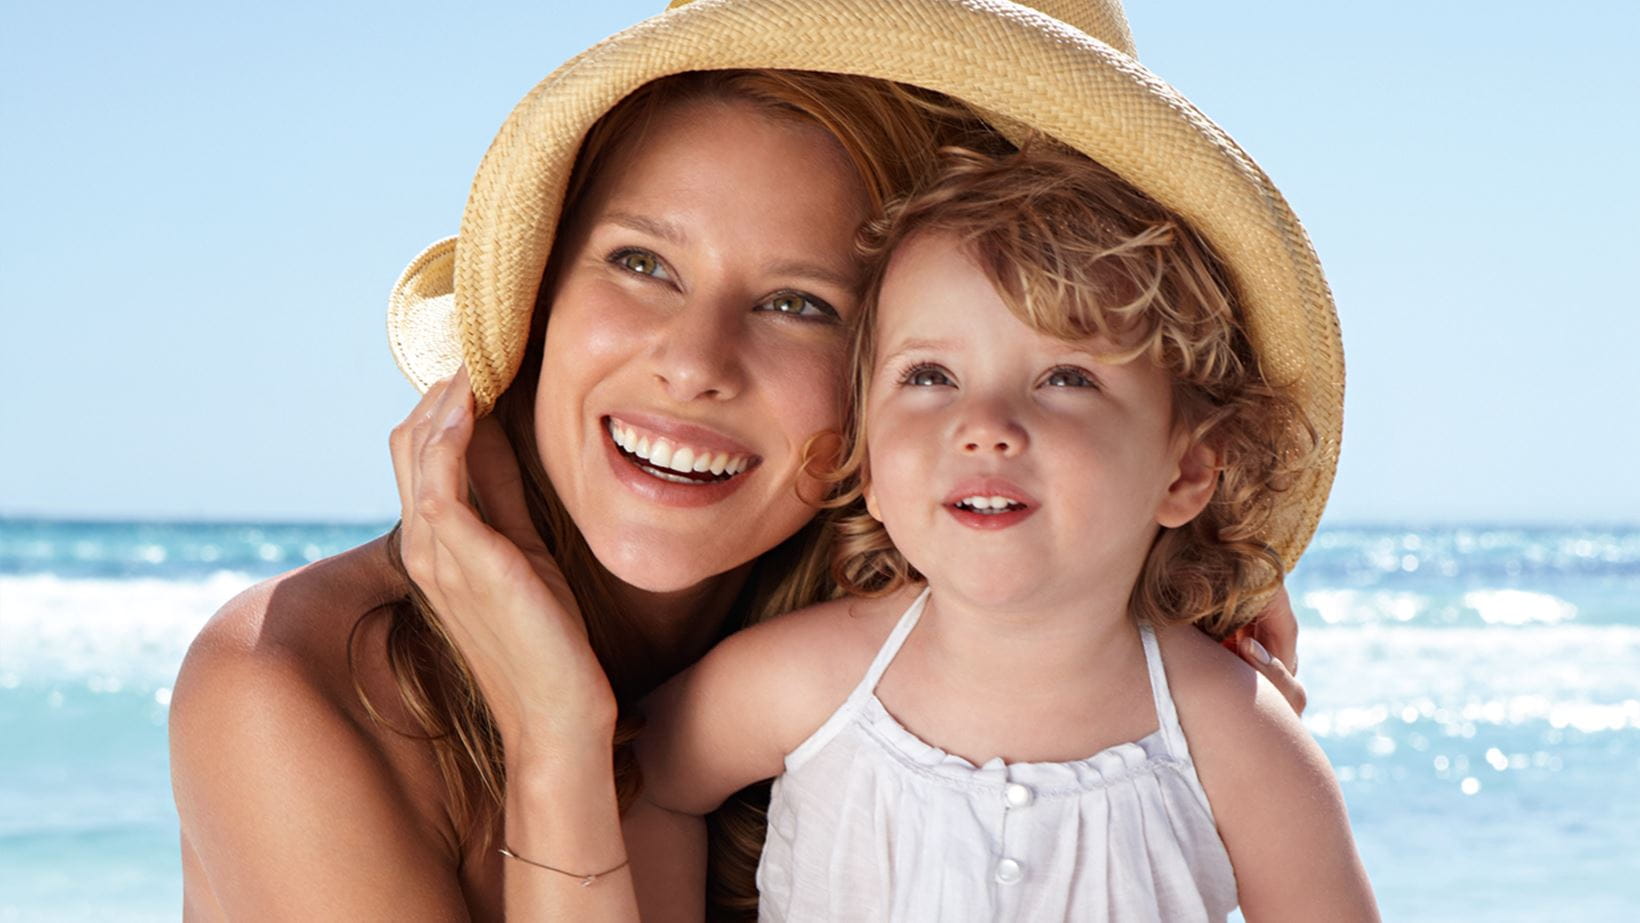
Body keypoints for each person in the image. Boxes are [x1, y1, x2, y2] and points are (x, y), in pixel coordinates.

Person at [166, 2, 1318, 920]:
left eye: (796, 302)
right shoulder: (286, 688)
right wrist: (560, 745)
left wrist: (1172, 573)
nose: (694, 363)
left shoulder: (877, 661)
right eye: (641, 264)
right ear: (541, 293)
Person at [626, 145, 1377, 921]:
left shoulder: (1236, 739)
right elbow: (641, 786)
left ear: (1185, 471)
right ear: (872, 468)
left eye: (1066, 378)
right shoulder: (805, 681)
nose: (983, 427)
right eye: (930, 377)